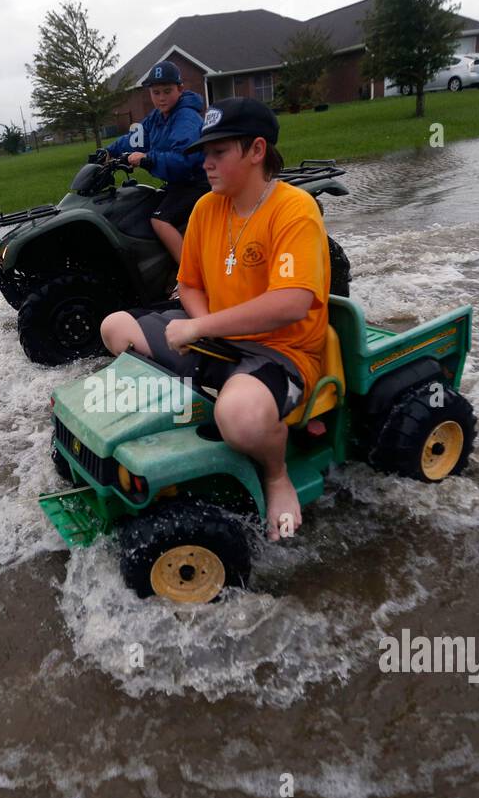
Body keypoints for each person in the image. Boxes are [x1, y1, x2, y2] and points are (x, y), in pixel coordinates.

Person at [99, 97, 330, 540]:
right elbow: (189, 284)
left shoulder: (294, 210)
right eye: (205, 153)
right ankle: (191, 407)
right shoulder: (207, 208)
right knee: (114, 327)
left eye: (218, 152)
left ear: (257, 151)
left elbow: (292, 302)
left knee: (240, 418)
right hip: (216, 340)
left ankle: (276, 473)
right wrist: (205, 329)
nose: (206, 163)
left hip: (278, 352)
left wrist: (201, 328)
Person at [98, 60, 208, 261]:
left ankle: (190, 275)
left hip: (196, 183)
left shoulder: (186, 117)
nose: (162, 98)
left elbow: (183, 160)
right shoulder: (158, 117)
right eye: (156, 93)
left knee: (159, 220)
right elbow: (136, 138)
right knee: (137, 205)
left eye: (167, 91)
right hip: (177, 183)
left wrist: (148, 159)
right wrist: (107, 152)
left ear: (180, 89)